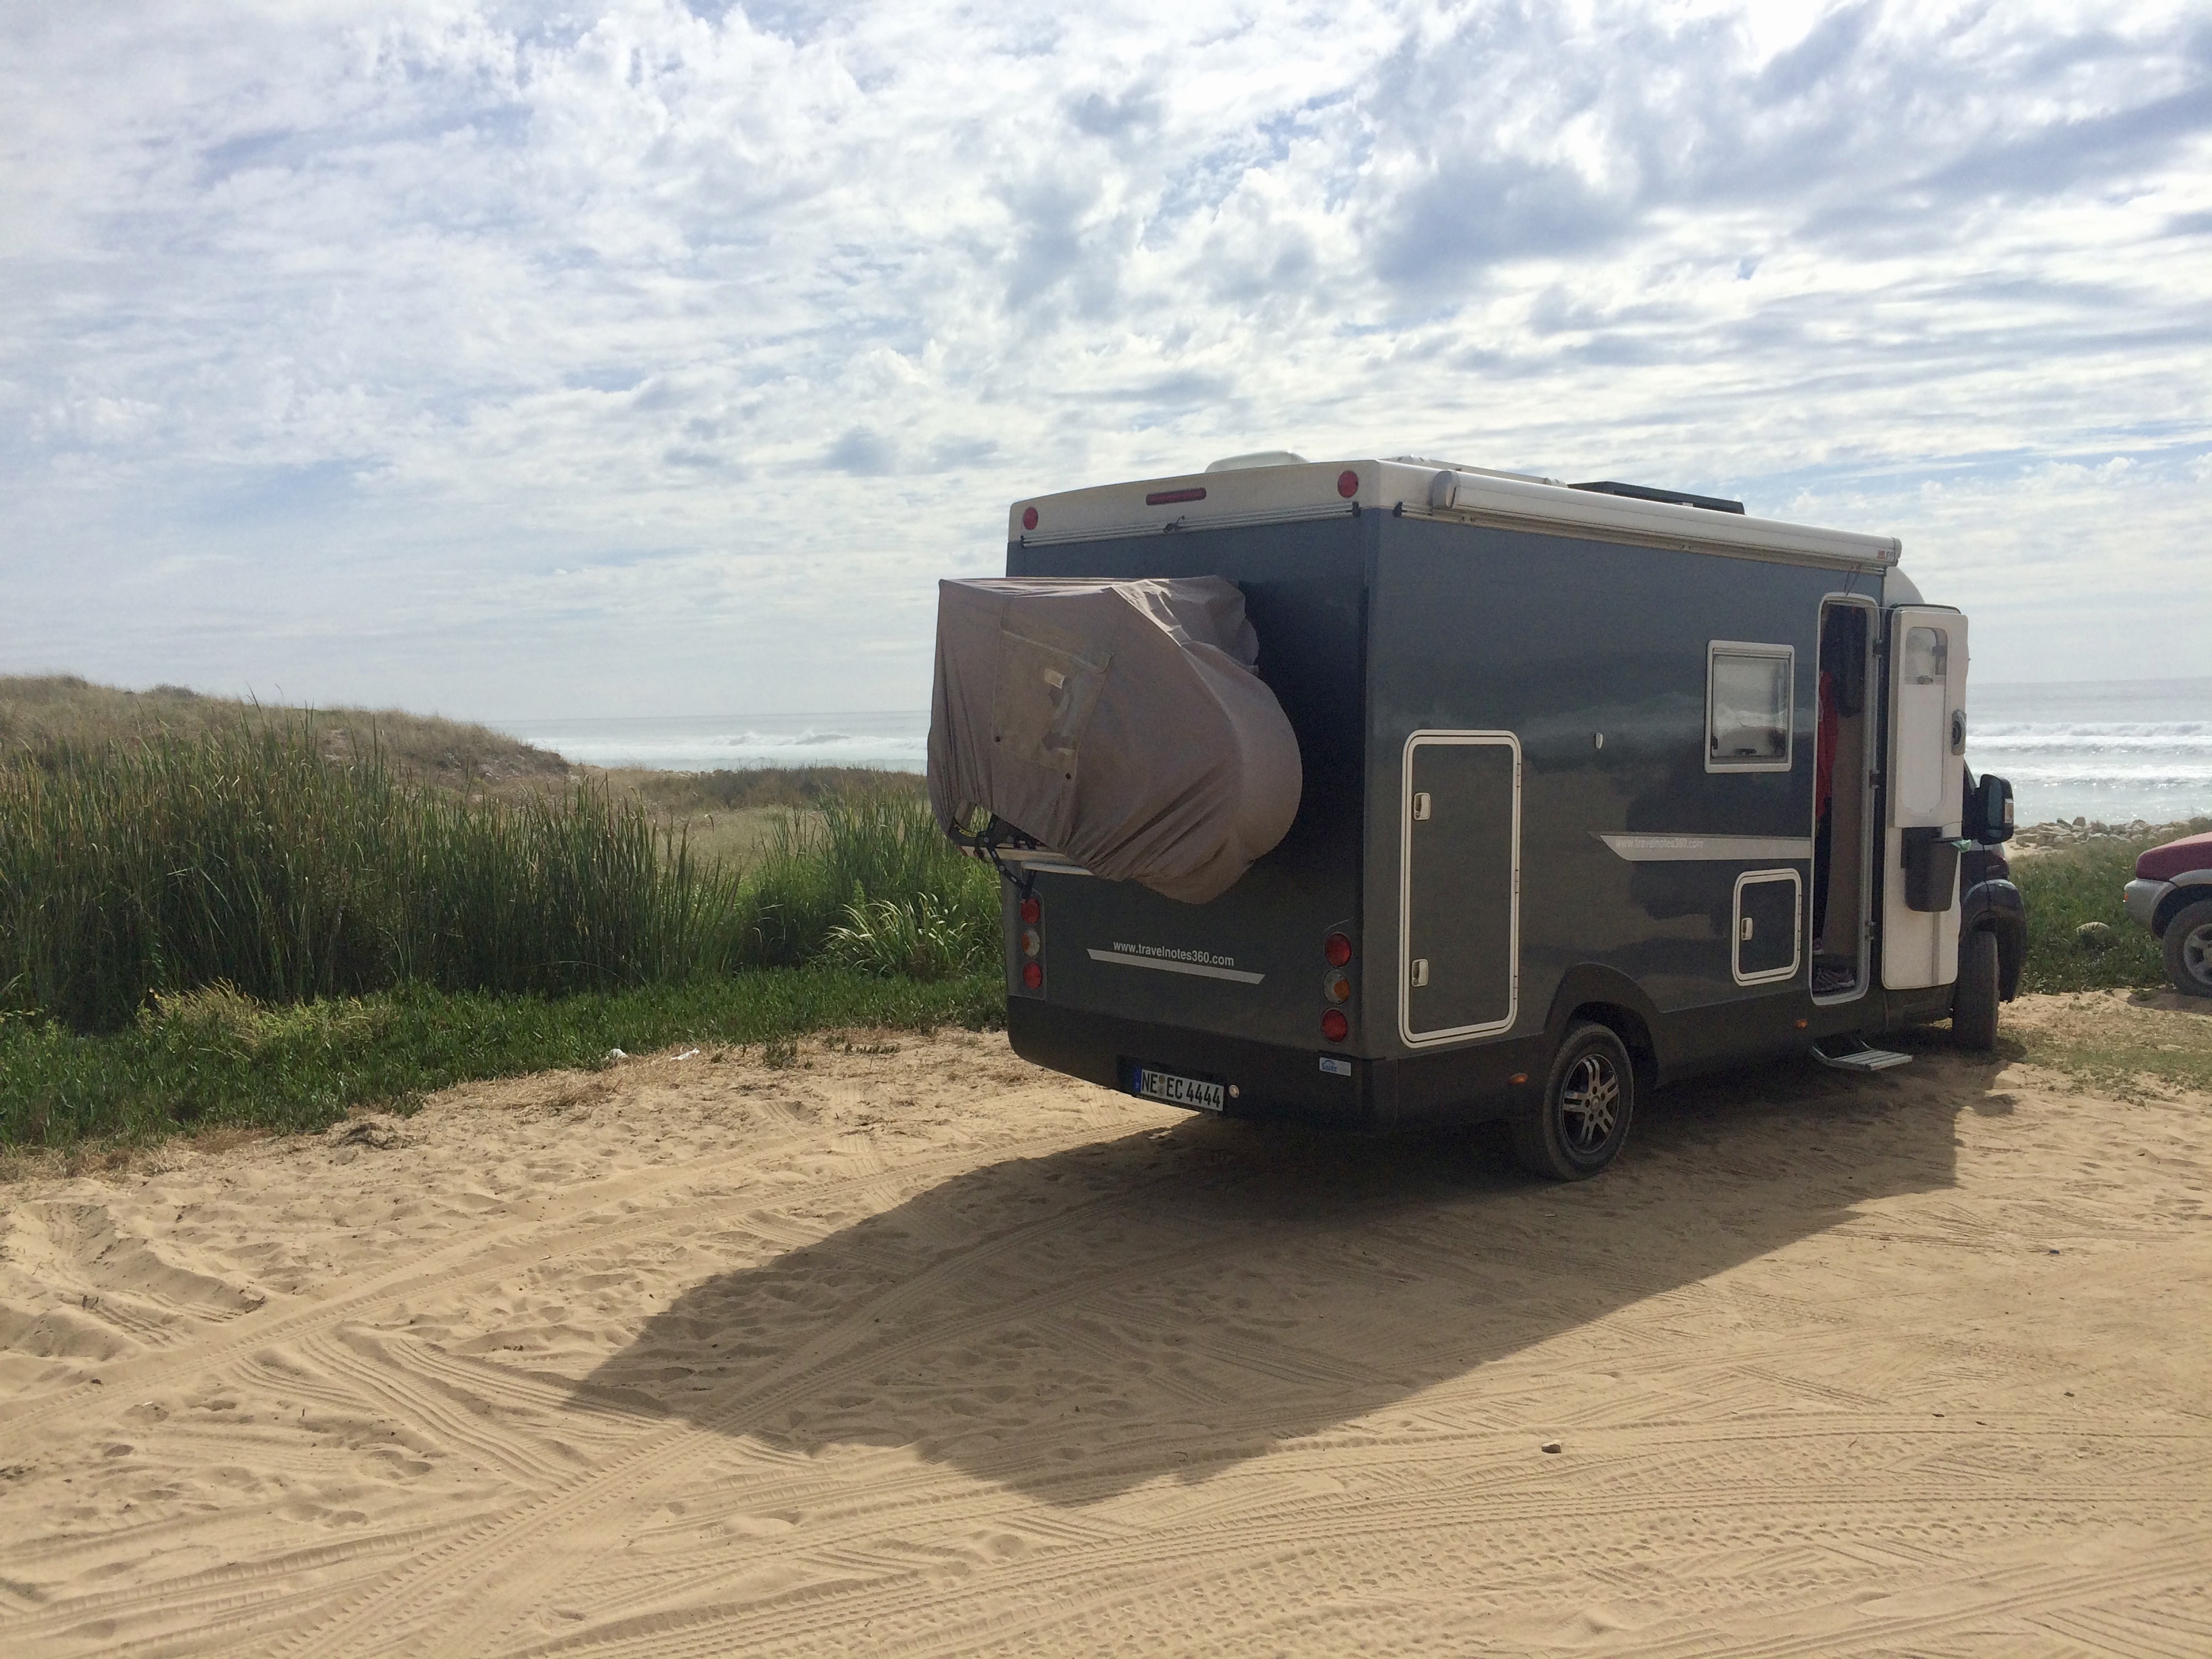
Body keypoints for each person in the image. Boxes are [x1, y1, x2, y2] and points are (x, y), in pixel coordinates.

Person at [1813, 667, 1839, 951]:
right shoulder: (1818, 684)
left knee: (1821, 866)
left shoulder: (1826, 684)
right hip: (1816, 792)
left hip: (1822, 792)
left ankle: (1815, 937)